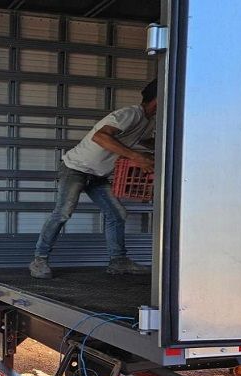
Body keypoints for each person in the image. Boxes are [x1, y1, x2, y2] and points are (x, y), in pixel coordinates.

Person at [29, 78, 158, 279]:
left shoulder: (147, 121)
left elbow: (143, 139)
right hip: (75, 168)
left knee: (117, 214)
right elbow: (100, 137)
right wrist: (136, 156)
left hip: (98, 175)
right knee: (63, 212)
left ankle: (118, 262)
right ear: (158, 100)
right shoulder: (130, 114)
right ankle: (39, 260)